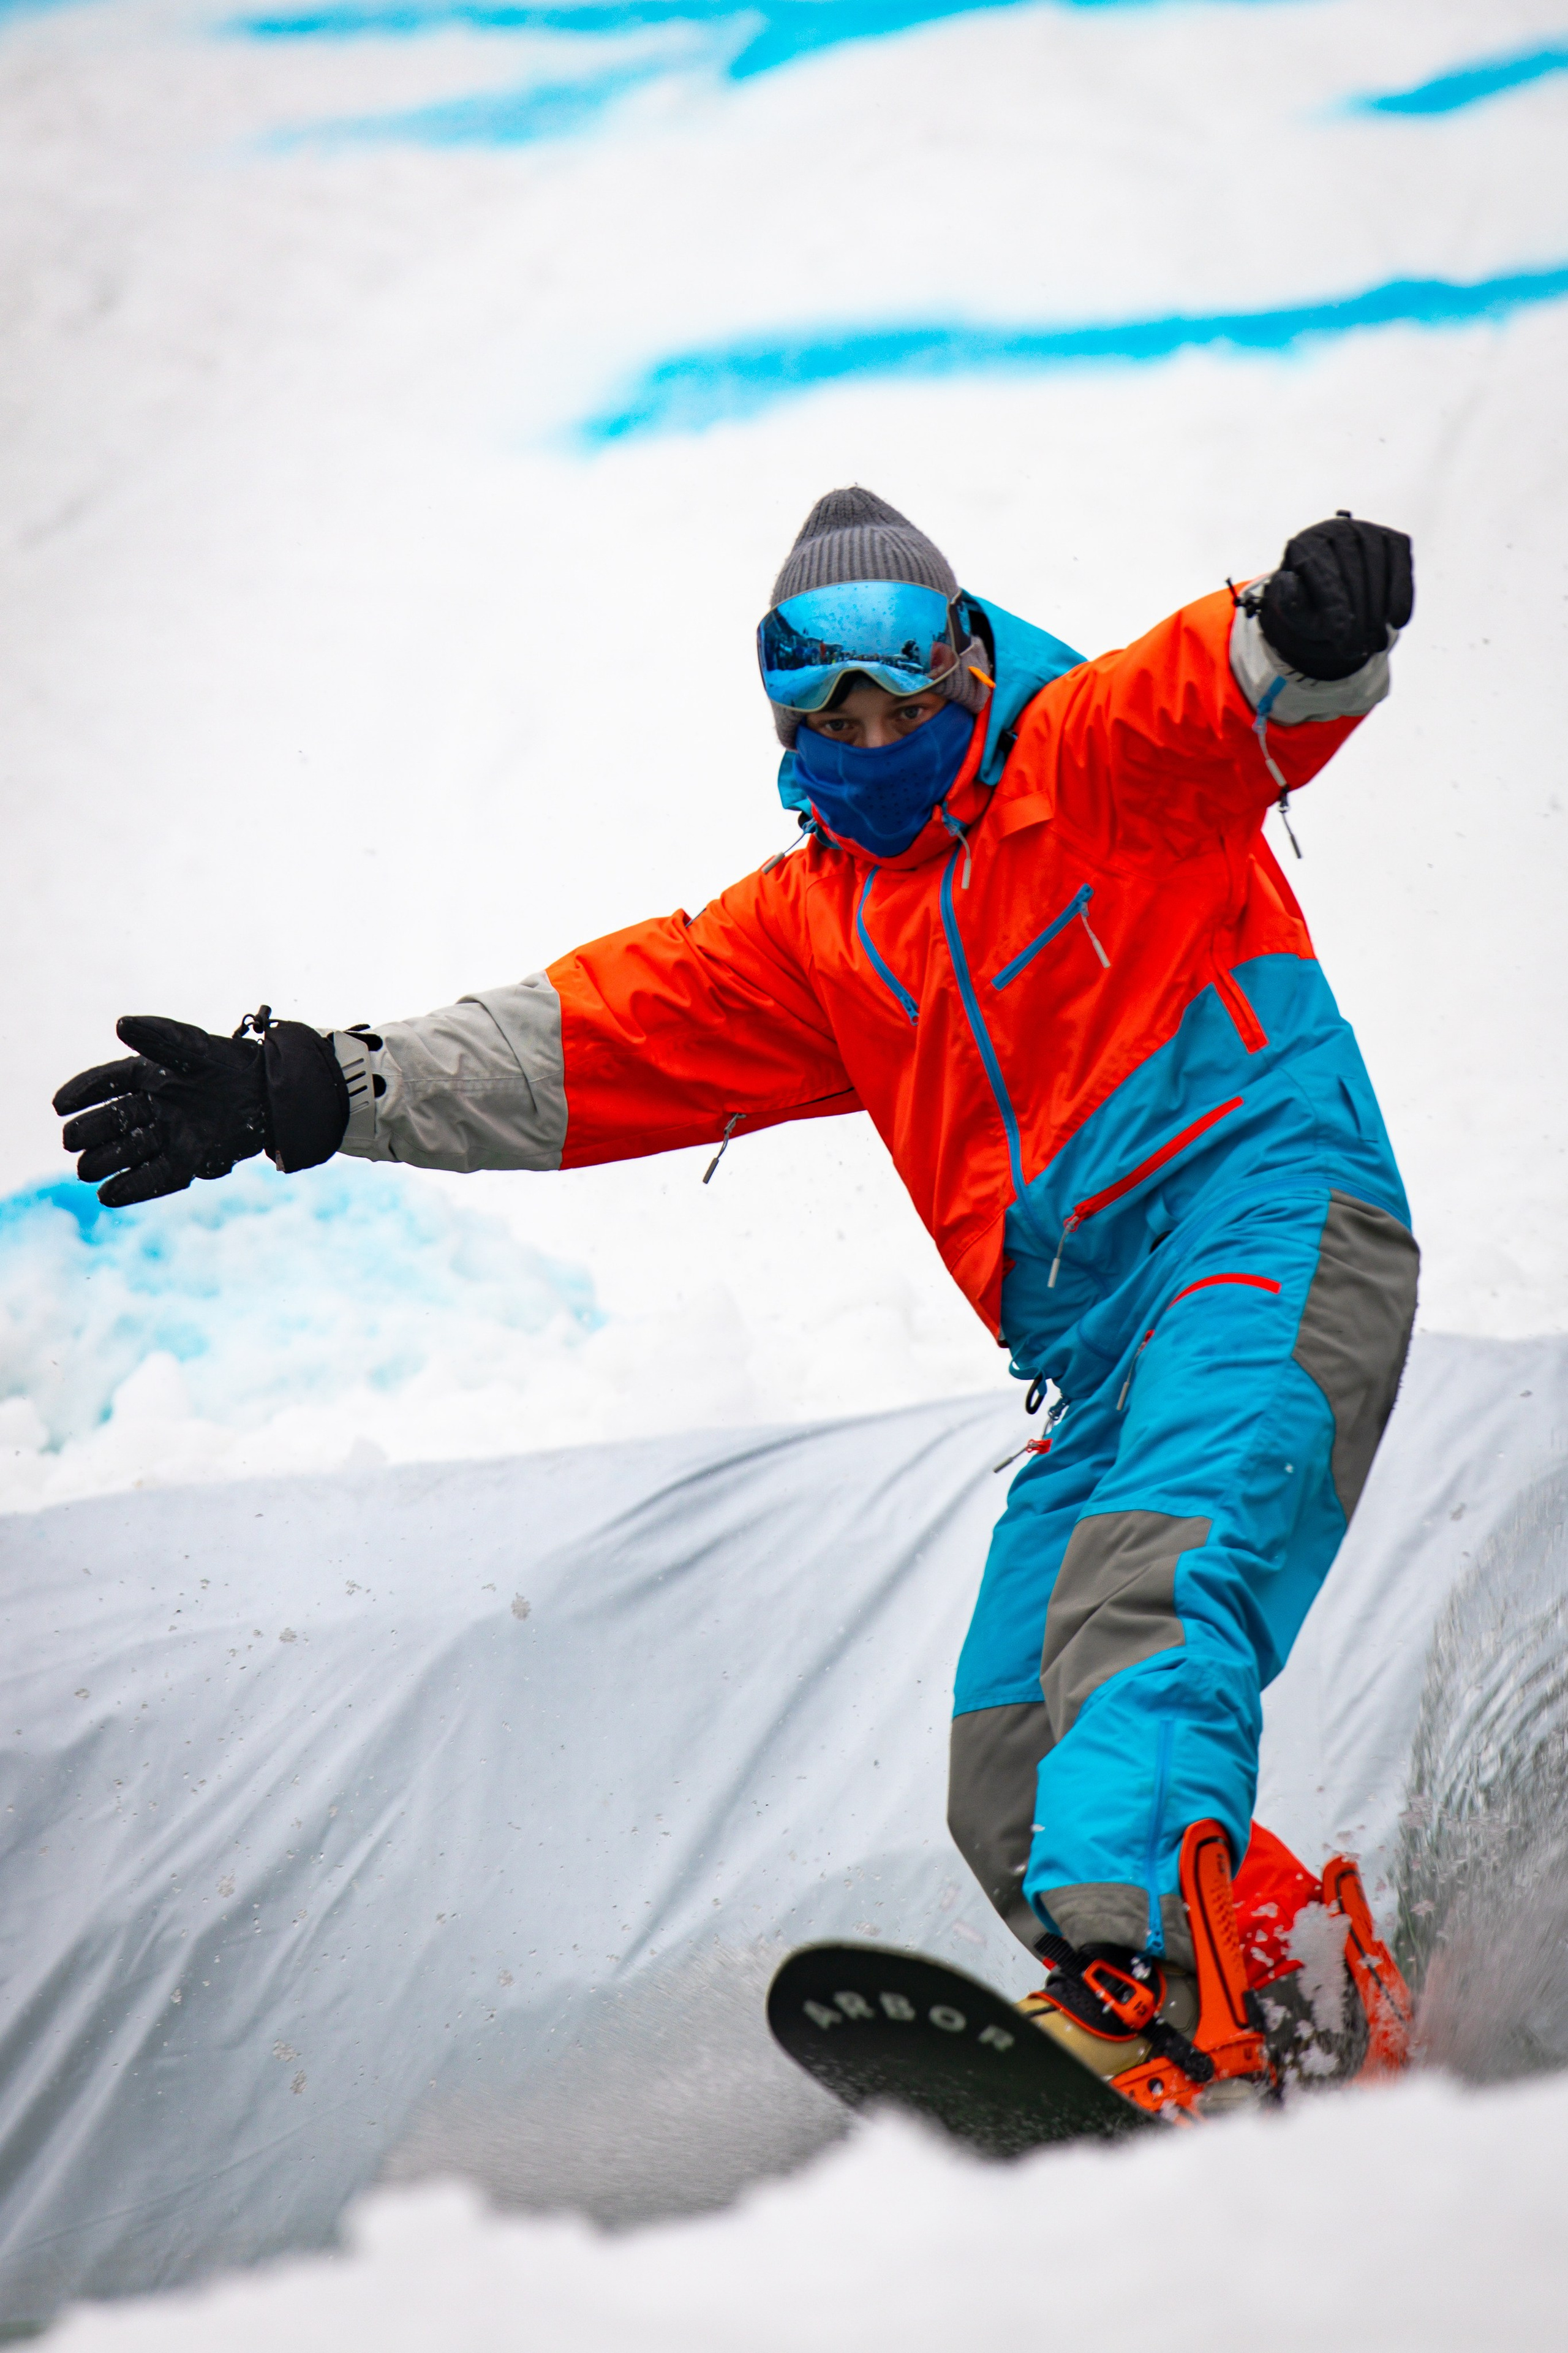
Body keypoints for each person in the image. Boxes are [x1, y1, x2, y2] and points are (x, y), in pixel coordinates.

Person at [54, 487, 1419, 2112]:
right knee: (1012, 1759)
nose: (873, 732)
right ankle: (1300, 1998)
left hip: (1270, 1232)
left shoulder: (1090, 759)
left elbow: (1233, 690)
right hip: (1107, 1358)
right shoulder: (821, 931)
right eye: (827, 706)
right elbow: (582, 1040)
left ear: (969, 659)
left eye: (903, 689)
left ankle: (1160, 2014)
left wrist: (1308, 624)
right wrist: (315, 1087)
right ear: (782, 718)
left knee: (1147, 1608)